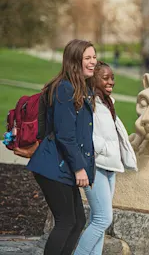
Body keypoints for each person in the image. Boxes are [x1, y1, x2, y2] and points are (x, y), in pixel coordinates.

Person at [27, 39, 97, 255]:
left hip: (61, 165)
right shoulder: (64, 89)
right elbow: (65, 136)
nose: (93, 62)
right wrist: (79, 168)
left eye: (95, 57)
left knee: (77, 221)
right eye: (88, 58)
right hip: (53, 165)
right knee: (67, 221)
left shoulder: (81, 88)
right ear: (75, 62)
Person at [74, 61, 137, 255]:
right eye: (105, 78)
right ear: (94, 80)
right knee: (103, 219)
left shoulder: (108, 103)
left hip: (110, 167)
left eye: (112, 77)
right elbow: (84, 134)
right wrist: (102, 150)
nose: (111, 82)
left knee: (98, 219)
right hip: (96, 165)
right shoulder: (87, 103)